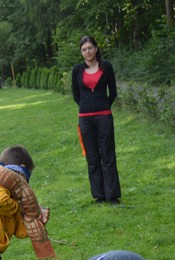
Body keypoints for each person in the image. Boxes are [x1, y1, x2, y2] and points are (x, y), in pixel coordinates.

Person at [71, 35, 121, 205]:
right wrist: (87, 107)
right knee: (92, 158)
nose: (87, 52)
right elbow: (76, 95)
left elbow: (113, 92)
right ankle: (99, 196)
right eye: (84, 49)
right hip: (85, 119)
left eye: (90, 48)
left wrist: (103, 106)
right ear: (81, 52)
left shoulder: (106, 67)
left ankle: (112, 195)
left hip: (104, 117)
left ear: (96, 48)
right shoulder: (77, 70)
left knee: (108, 155)